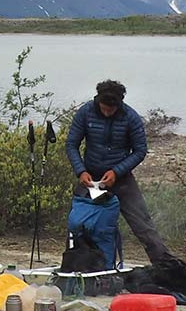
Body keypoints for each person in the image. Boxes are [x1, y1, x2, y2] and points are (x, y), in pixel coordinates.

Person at [63, 79, 169, 266]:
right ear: (98, 100)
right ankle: (74, 267)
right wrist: (80, 171)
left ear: (119, 103)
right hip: (89, 178)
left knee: (143, 226)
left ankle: (167, 268)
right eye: (103, 108)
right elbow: (71, 144)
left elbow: (140, 151)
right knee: (76, 224)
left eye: (111, 110)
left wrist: (117, 172)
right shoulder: (85, 113)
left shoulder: (131, 117)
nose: (107, 112)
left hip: (121, 179)